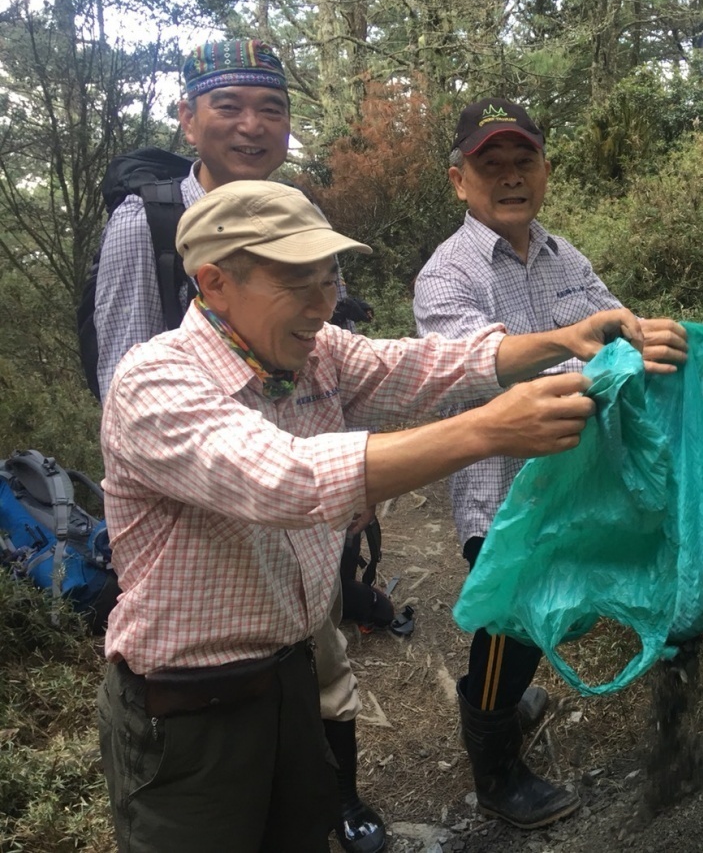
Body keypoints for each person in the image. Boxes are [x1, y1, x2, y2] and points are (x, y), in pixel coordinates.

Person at [97, 179, 645, 853]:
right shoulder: (155, 382)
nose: (321, 303)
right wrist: (488, 431)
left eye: (329, 278)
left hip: (289, 681)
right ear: (215, 284)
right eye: (297, 282)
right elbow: (286, 480)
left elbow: (427, 365)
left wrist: (562, 339)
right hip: (187, 713)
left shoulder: (315, 353)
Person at [92, 39, 386, 853]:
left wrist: (339, 467)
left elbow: (343, 352)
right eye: (229, 106)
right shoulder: (143, 220)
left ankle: (335, 805)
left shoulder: (293, 210)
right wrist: (201, 457)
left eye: (273, 108)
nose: (253, 126)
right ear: (188, 117)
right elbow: (121, 367)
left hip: (300, 483)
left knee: (316, 659)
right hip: (195, 487)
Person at [413, 98, 689, 829]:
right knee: (512, 623)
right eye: (489, 165)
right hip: (501, 492)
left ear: (544, 170)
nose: (509, 178)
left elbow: (618, 329)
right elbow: (476, 371)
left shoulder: (567, 257)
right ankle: (497, 770)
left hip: (572, 480)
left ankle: (507, 698)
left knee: (542, 619)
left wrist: (679, 346)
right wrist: (584, 354)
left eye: (522, 161)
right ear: (458, 180)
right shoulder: (448, 277)